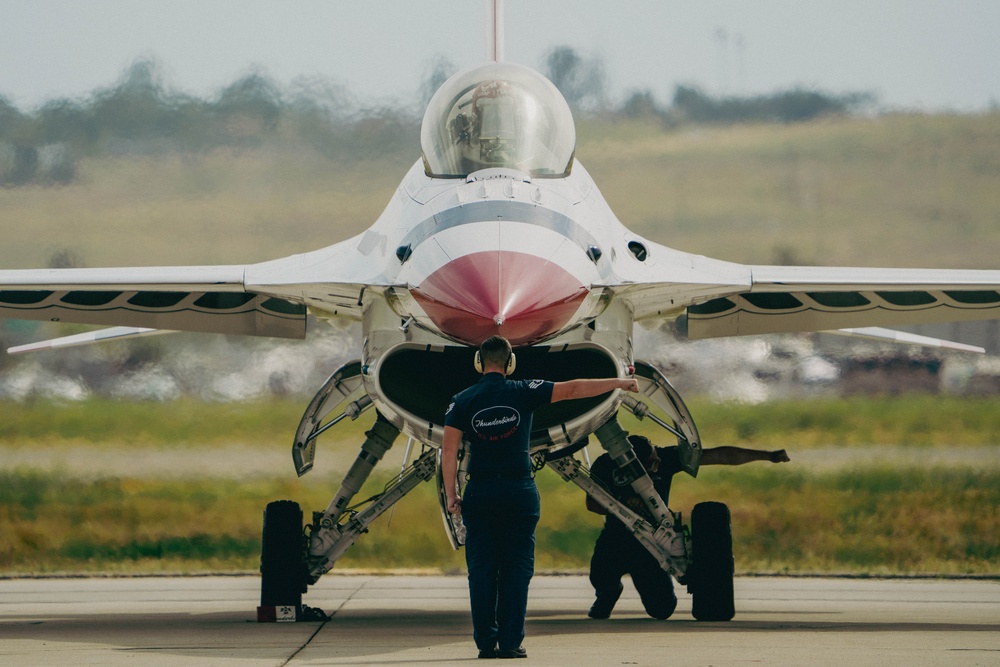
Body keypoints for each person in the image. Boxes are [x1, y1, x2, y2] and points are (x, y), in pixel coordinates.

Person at [443, 335, 639, 660]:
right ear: (510, 363)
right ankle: (510, 643)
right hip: (518, 491)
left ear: (478, 363)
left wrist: (452, 494)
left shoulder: (461, 400)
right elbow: (574, 388)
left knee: (481, 569)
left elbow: (449, 450)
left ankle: (485, 644)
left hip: (481, 491)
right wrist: (620, 382)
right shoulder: (523, 390)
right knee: (517, 568)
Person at [585, 434, 790, 620]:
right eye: (650, 463)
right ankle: (607, 596)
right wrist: (622, 503)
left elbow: (721, 455)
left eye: (655, 457)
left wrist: (768, 455)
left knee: (662, 610)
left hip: (653, 543)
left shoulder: (666, 457)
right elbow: (592, 504)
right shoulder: (605, 465)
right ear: (630, 466)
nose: (657, 463)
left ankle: (657, 597)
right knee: (601, 577)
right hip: (616, 538)